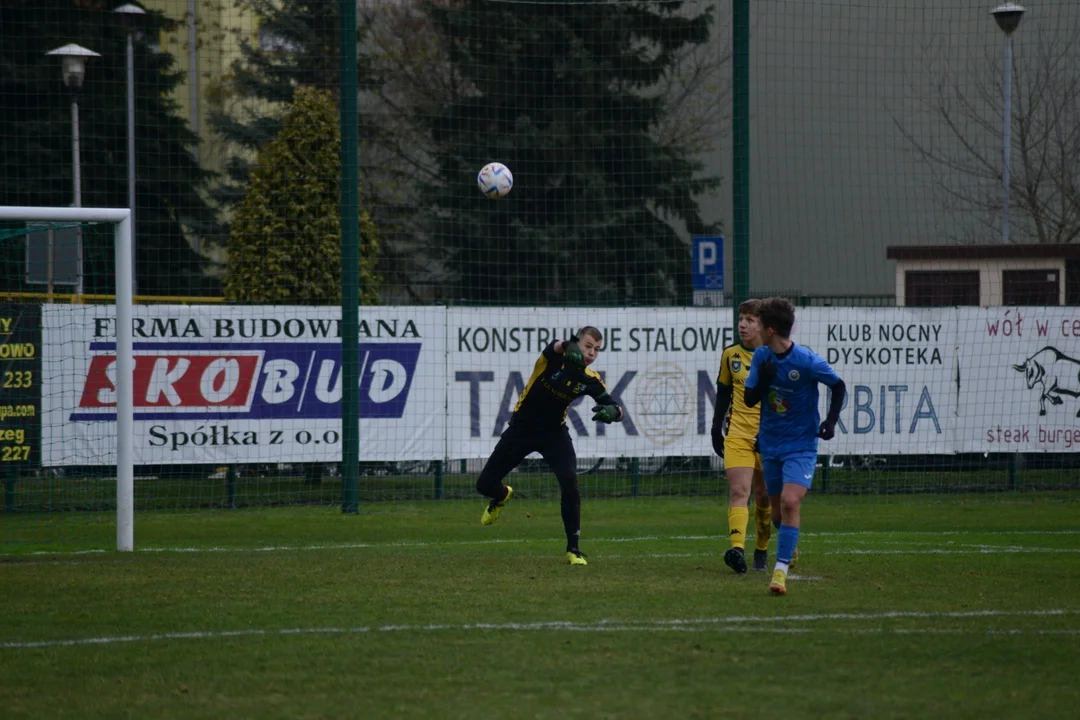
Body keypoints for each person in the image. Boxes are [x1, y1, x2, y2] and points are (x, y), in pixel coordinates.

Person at [476, 327, 624, 566]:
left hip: (554, 434)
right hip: (521, 429)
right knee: (484, 485)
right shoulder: (553, 358)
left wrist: (613, 412)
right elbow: (556, 344)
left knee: (569, 482)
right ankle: (503, 495)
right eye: (588, 346)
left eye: (597, 349)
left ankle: (573, 549)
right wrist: (568, 346)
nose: (592, 353)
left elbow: (618, 409)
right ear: (576, 343)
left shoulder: (590, 378)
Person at [744, 297, 846, 596]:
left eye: (759, 324)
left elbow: (838, 386)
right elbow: (751, 400)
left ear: (771, 329)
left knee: (790, 502)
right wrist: (764, 381)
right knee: (777, 513)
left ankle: (780, 570)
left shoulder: (807, 360)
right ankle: (791, 540)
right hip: (770, 444)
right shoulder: (762, 358)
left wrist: (830, 420)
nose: (756, 329)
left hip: (801, 444)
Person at [711, 299, 774, 574]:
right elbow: (723, 392)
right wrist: (716, 429)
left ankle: (761, 549)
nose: (742, 325)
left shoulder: (775, 356)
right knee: (739, 491)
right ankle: (737, 549)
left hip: (769, 437)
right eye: (741, 319)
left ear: (763, 326)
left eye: (750, 320)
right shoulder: (730, 355)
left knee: (763, 496)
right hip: (737, 433)